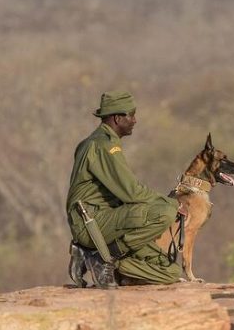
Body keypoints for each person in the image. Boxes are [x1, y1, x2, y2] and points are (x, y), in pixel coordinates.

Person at [67, 91, 182, 288]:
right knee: (166, 212)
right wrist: (171, 203)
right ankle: (105, 256)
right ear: (118, 118)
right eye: (132, 115)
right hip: (92, 223)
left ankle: (99, 259)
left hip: (105, 222)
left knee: (170, 271)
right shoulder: (104, 146)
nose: (135, 120)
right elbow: (131, 192)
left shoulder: (94, 142)